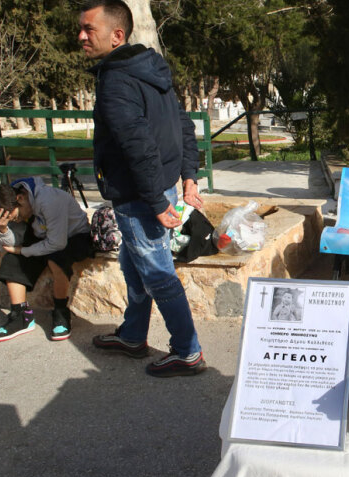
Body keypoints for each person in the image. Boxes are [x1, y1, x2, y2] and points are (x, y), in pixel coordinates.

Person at [79, 0, 206, 377]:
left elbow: (138, 144)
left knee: (156, 272)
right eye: (81, 28)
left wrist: (155, 199)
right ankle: (133, 335)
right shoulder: (148, 66)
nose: (81, 36)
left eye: (90, 29)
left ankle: (187, 351)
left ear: (117, 35)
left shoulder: (117, 78)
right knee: (133, 263)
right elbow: (181, 124)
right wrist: (188, 176)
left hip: (140, 195)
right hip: (157, 187)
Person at [0, 178, 91, 342]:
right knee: (12, 259)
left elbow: (57, 243)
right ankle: (21, 316)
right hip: (43, 236)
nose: (15, 221)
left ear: (20, 199)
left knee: (56, 259)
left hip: (73, 236)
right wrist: (2, 229)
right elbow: (13, 242)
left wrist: (24, 250)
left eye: (14, 217)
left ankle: (61, 311)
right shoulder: (11, 201)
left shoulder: (49, 200)